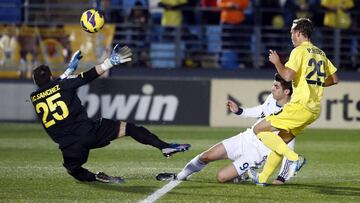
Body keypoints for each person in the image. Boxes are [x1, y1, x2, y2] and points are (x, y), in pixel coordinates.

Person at [30, 44, 191, 183]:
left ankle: (95, 177)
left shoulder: (34, 98)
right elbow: (87, 77)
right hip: (89, 133)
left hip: (69, 146)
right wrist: (109, 63)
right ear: (51, 76)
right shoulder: (63, 84)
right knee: (129, 128)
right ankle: (165, 147)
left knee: (74, 170)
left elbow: (53, 87)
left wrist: (67, 72)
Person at [156, 73, 295, 184]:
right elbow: (261, 110)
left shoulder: (292, 114)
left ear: (286, 91)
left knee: (221, 177)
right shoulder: (272, 98)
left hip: (258, 153)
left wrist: (281, 178)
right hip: (246, 138)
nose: (272, 89)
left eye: (276, 87)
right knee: (206, 156)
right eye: (273, 85)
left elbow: (289, 146)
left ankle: (243, 174)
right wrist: (239, 111)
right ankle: (179, 176)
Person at [248, 18, 339, 186]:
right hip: (313, 109)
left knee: (258, 129)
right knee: (281, 142)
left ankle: (294, 159)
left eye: (292, 33)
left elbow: (287, 76)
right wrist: (317, 83)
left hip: (300, 105)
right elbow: (334, 79)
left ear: (299, 33)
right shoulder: (321, 53)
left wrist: (277, 63)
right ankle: (262, 178)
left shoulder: (299, 51)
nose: (291, 36)